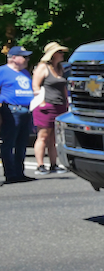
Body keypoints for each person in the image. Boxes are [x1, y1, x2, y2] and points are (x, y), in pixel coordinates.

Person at [30, 42, 69, 175]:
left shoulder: (60, 68)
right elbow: (35, 86)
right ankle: (40, 165)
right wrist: (41, 102)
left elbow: (63, 86)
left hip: (60, 106)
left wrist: (67, 103)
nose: (62, 55)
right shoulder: (43, 67)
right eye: (60, 52)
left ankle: (54, 164)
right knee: (43, 136)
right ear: (53, 55)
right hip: (46, 106)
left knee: (54, 138)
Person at [0, 46, 36, 184]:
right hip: (11, 111)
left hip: (26, 111)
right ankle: (10, 174)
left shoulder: (25, 73)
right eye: (24, 56)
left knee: (22, 144)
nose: (27, 59)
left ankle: (20, 172)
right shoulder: (2, 71)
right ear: (13, 58)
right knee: (9, 143)